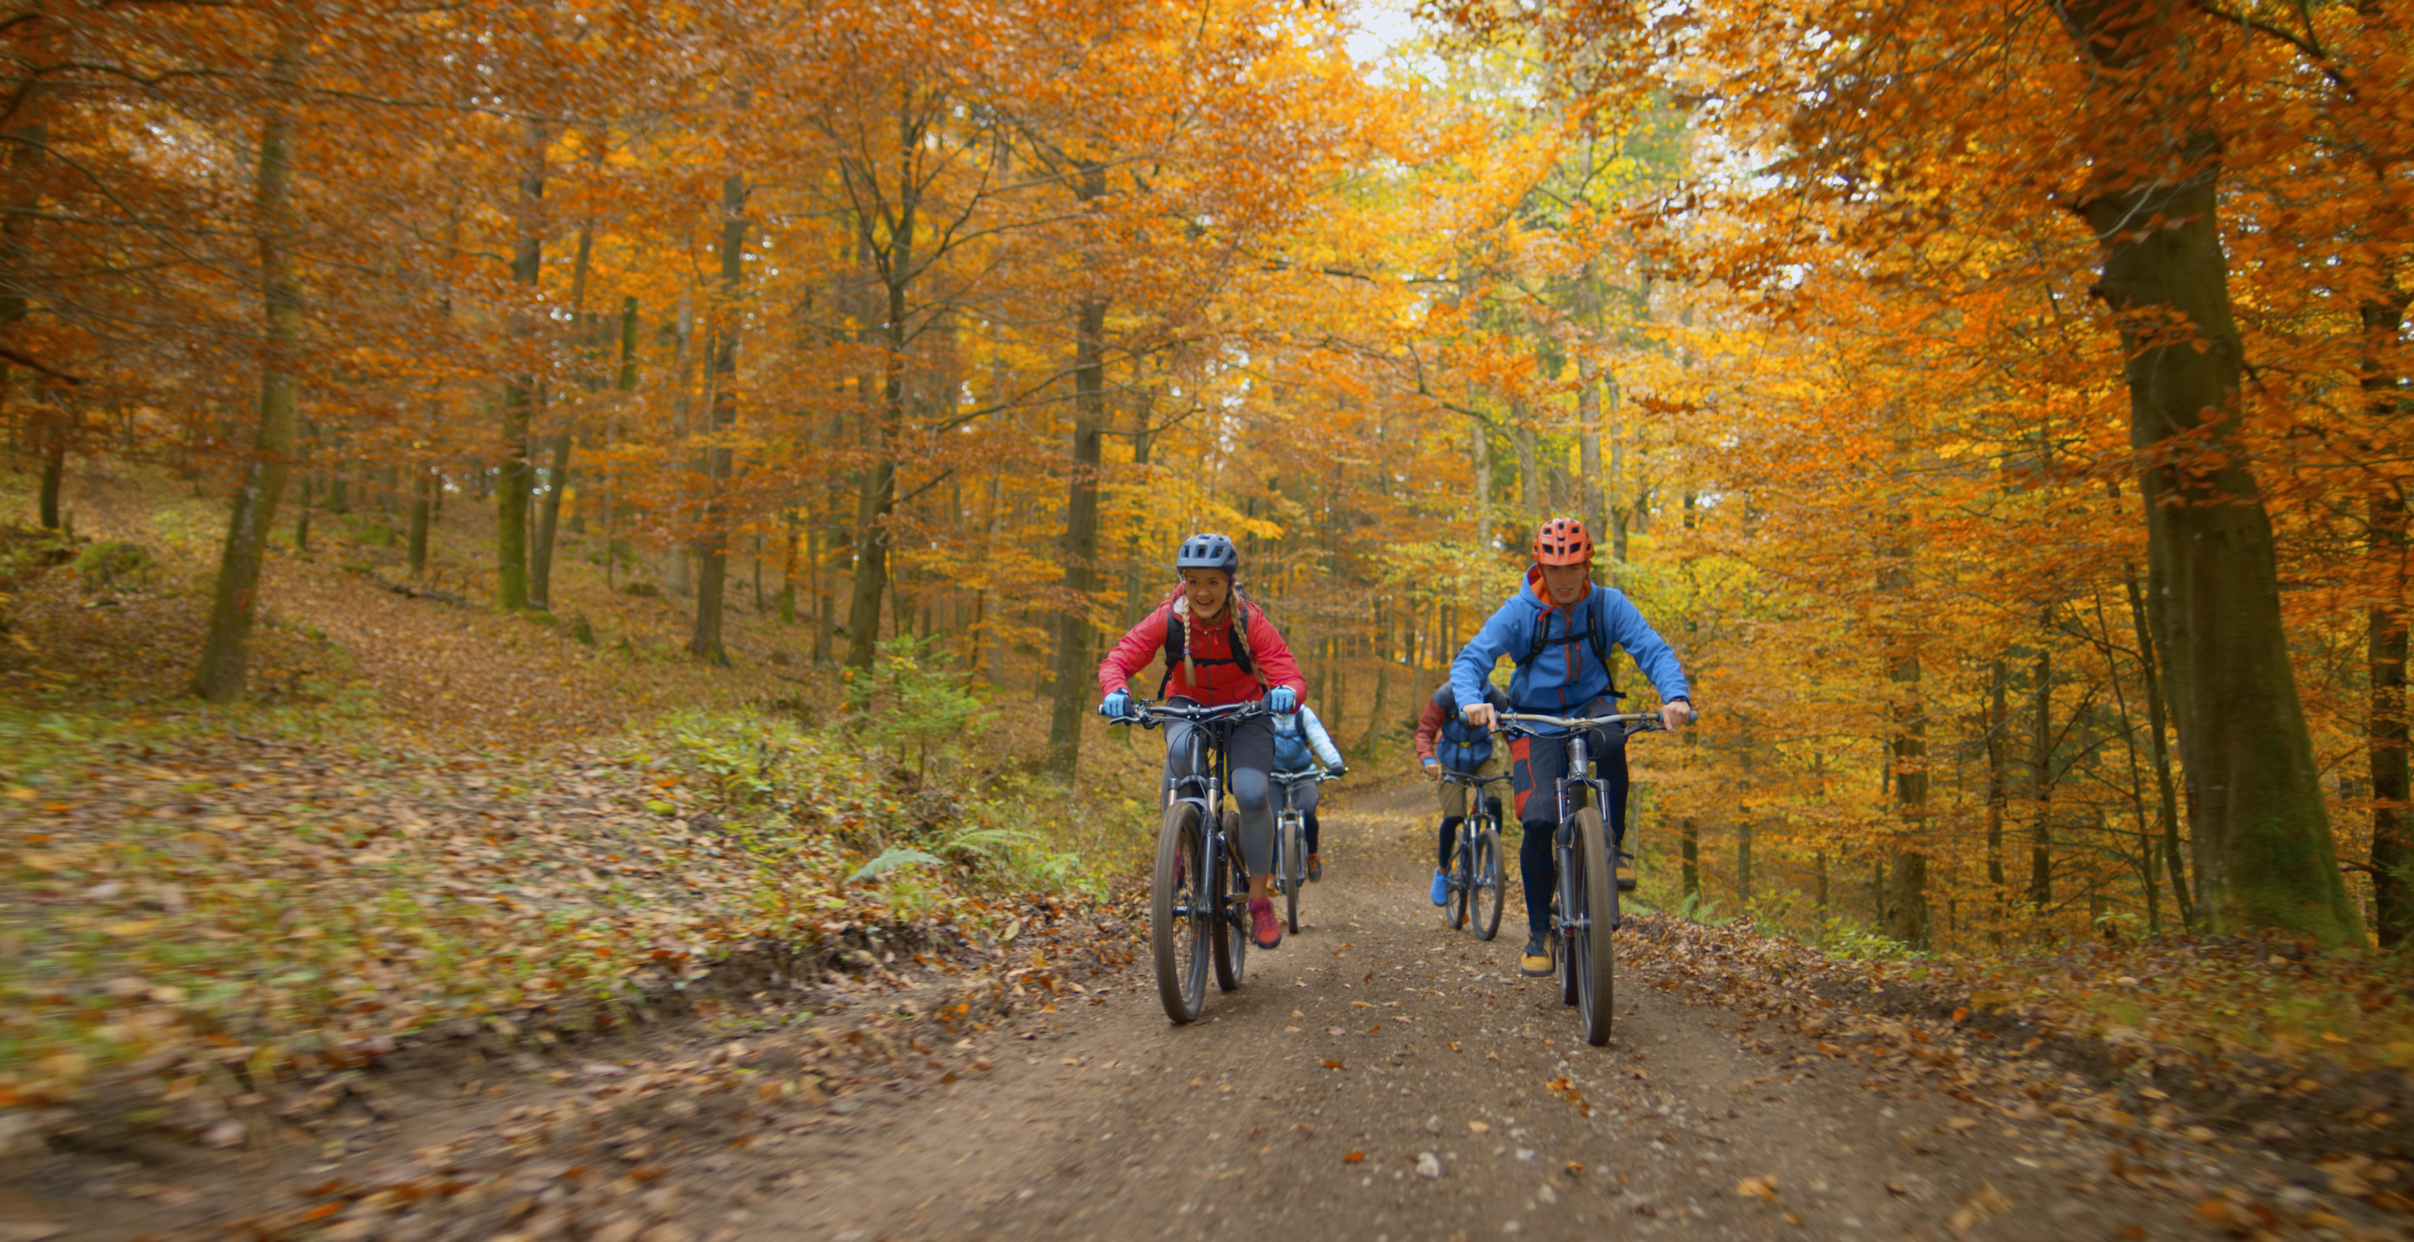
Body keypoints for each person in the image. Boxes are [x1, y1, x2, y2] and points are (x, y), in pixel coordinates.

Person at [1449, 517, 1692, 978]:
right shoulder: (1519, 612)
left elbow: (1652, 650)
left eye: (1573, 568)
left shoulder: (1607, 606)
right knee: (1539, 818)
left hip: (1592, 703)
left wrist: (1674, 695)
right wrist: (1471, 702)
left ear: (1586, 565)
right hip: (1534, 717)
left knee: (1612, 736)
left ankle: (1612, 849)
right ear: (1539, 565)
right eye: (1553, 568)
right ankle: (1538, 934)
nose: (1563, 580)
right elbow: (1471, 660)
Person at [1097, 532, 1308, 950]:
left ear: (1229, 583)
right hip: (1187, 704)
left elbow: (1290, 675)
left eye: (1212, 581)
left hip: (1247, 711)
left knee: (1250, 794)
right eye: (1193, 581)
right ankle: (1174, 853)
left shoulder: (1250, 620)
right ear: (1183, 582)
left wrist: (1286, 693)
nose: (1202, 592)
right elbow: (1118, 658)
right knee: (1180, 756)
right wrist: (1114, 691)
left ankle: (1261, 899)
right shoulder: (1169, 618)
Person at [1415, 678, 1512, 905]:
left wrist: (1521, 760)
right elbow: (1424, 730)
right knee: (1453, 816)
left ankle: (1491, 860)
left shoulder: (1495, 696)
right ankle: (1442, 871)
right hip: (1450, 760)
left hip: (1483, 757)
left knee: (1495, 801)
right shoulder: (1444, 695)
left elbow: (1512, 729)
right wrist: (1429, 760)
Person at [1270, 703, 1346, 880]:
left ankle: (1312, 855)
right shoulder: (1264, 712)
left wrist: (1334, 762)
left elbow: (1320, 739)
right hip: (1273, 774)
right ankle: (1269, 872)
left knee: (1307, 809)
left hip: (1304, 773)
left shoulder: (1303, 713)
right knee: (1270, 816)